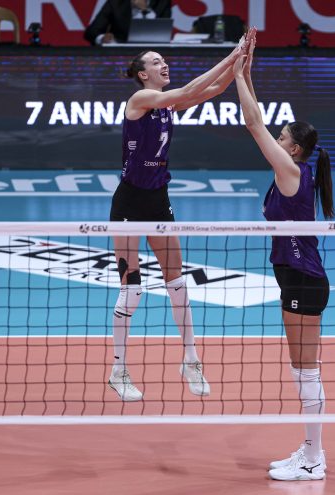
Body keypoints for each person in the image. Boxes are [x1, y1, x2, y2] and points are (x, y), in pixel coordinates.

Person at [108, 42, 245, 401]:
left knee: (178, 283)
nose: (164, 65)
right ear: (143, 74)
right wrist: (230, 56)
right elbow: (187, 91)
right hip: (129, 203)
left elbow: (213, 89)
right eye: (156, 62)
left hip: (158, 201)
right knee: (131, 290)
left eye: (164, 60)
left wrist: (240, 64)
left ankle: (191, 360)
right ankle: (118, 371)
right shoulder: (140, 100)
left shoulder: (167, 104)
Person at [233, 29, 334, 481]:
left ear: (293, 149)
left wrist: (237, 73)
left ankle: (314, 458)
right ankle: (310, 451)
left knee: (306, 371)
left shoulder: (291, 172)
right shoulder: (292, 168)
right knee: (301, 369)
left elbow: (253, 124)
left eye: (282, 137)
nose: (275, 139)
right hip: (293, 278)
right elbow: (257, 119)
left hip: (304, 281)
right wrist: (247, 70)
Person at [84, 0, 171, 45]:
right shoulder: (116, 2)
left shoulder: (162, 2)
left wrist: (145, 10)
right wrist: (102, 38)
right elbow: (91, 32)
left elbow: (163, 31)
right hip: (122, 54)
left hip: (153, 54)